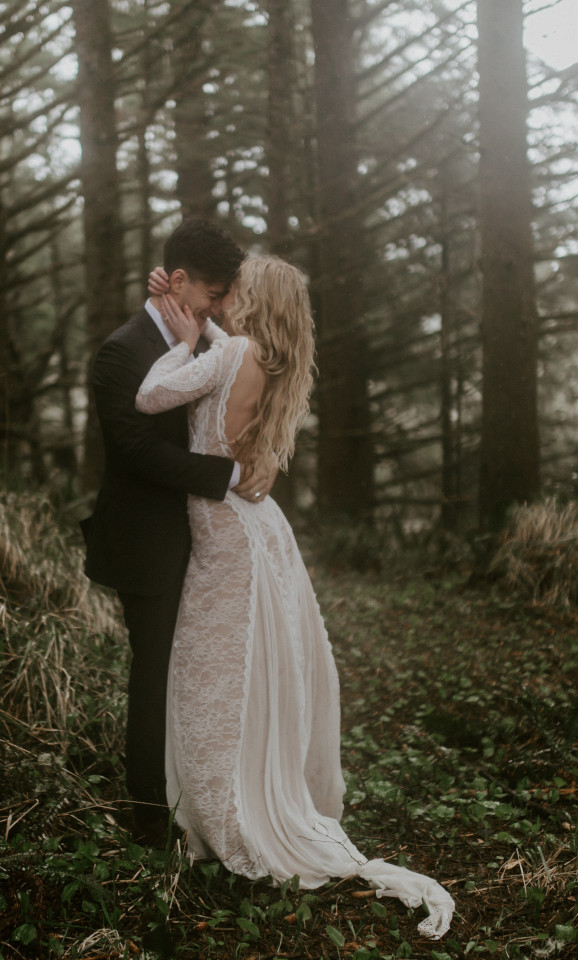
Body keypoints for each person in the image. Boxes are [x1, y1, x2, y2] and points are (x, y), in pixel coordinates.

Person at [136, 255, 455, 939]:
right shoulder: (271, 361)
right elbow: (228, 365)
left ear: (252, 299)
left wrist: (183, 340)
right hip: (254, 526)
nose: (224, 293)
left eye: (235, 287)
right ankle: (239, 791)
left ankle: (223, 810)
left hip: (224, 528)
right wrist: (193, 320)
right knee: (241, 670)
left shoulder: (232, 352)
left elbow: (151, 397)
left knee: (211, 674)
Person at [81, 218, 275, 843]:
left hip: (208, 541)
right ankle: (148, 818)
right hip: (149, 542)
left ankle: (205, 798)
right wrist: (229, 474)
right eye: (215, 294)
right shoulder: (121, 352)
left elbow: (244, 388)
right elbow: (137, 451)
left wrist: (264, 459)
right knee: (156, 672)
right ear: (182, 281)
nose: (222, 307)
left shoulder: (211, 336)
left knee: (201, 672)